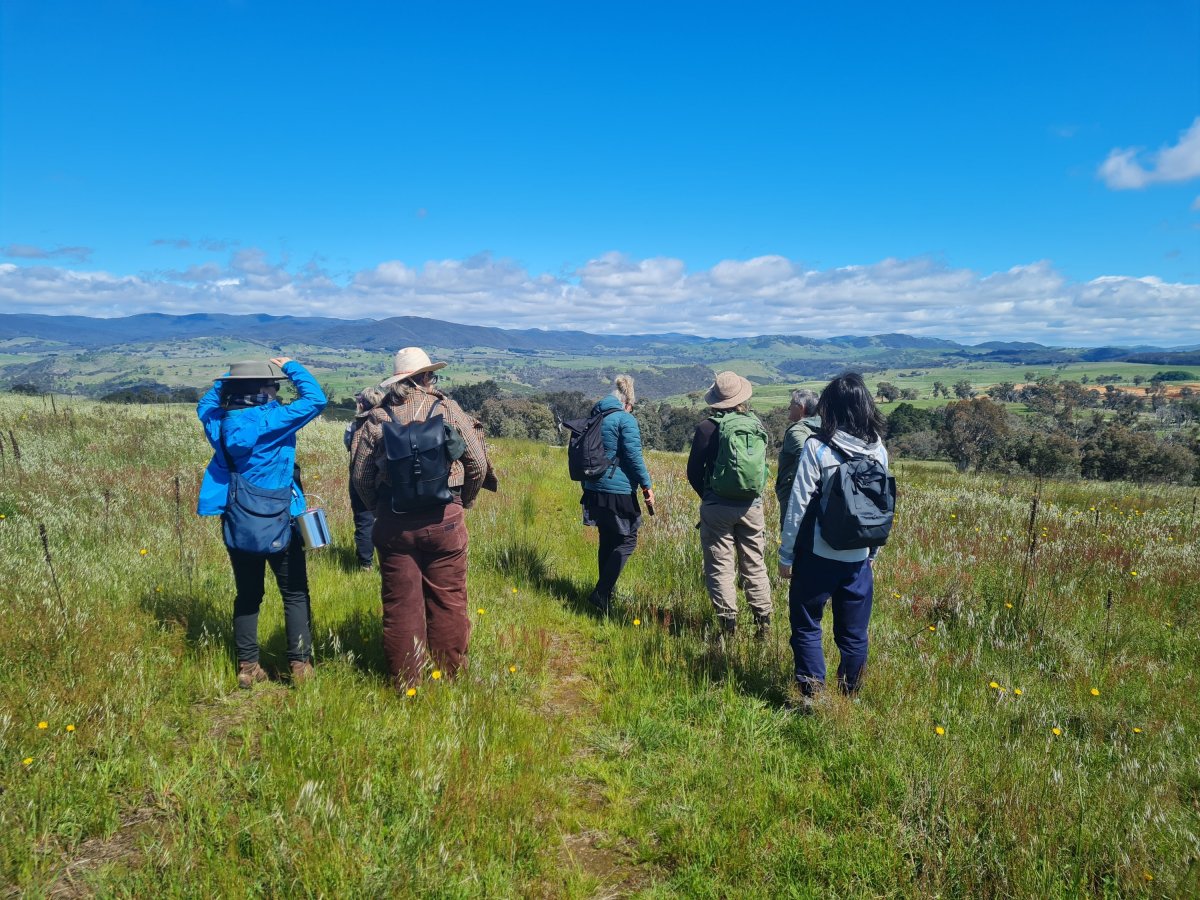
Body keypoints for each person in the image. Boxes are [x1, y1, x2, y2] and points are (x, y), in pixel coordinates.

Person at [350, 347, 492, 690]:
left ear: (398, 381)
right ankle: (451, 676)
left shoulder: (378, 418)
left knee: (401, 605)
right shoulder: (447, 409)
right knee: (449, 598)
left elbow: (361, 477)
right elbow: (478, 462)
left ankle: (406, 682)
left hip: (394, 522)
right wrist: (464, 501)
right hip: (445, 517)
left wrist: (377, 510)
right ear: (427, 377)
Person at [196, 357, 327, 688]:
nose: (277, 392)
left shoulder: (219, 424)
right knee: (294, 592)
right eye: (273, 386)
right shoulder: (273, 420)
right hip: (279, 520)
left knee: (248, 594)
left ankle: (247, 666)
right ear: (262, 390)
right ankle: (300, 666)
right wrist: (292, 366)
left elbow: (205, 405)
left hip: (237, 518)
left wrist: (229, 379)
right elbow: (316, 399)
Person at [777, 372, 888, 699]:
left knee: (807, 624)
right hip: (858, 558)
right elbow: (879, 504)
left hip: (817, 555)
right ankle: (849, 693)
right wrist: (872, 554)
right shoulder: (878, 449)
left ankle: (812, 695)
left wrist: (786, 555)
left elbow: (798, 504)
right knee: (854, 634)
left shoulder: (817, 447)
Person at [686, 371, 773, 639]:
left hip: (717, 507)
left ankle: (728, 627)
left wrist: (709, 496)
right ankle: (763, 625)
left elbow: (693, 471)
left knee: (720, 565)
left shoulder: (706, 428)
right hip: (751, 506)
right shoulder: (754, 425)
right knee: (755, 563)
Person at [580, 375, 654, 614]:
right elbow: (633, 457)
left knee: (608, 539)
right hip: (618, 490)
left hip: (593, 487)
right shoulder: (625, 419)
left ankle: (604, 593)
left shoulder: (595, 416)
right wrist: (646, 485)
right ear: (627, 403)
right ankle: (601, 592)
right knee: (627, 541)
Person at [345, 385, 386, 570]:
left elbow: (348, 446)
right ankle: (389, 562)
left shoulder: (354, 426)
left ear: (361, 404)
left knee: (364, 522)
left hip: (359, 477)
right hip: (385, 478)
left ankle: (365, 564)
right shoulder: (388, 421)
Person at [774, 389, 821, 530]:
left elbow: (805, 453)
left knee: (793, 538)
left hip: (795, 497)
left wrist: (795, 485)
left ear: (801, 408)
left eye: (791, 404)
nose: (789, 408)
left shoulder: (797, 431)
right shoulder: (824, 427)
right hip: (820, 494)